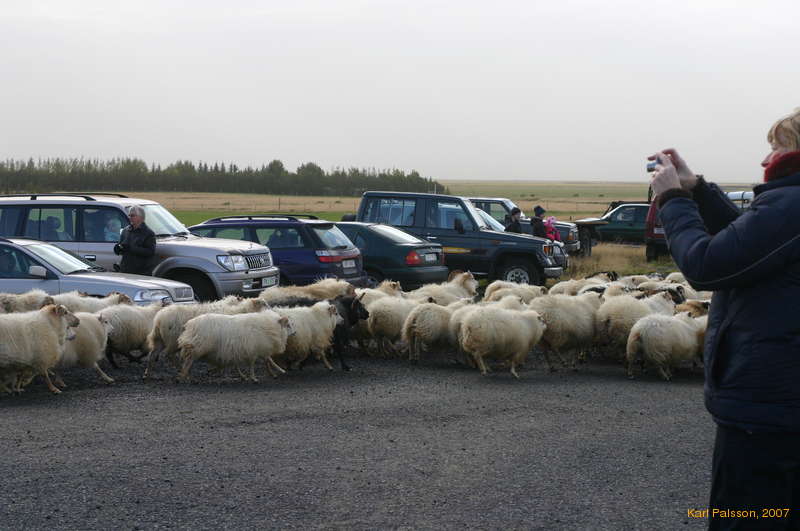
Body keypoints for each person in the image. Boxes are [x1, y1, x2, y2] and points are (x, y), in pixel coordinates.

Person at [649, 107, 800, 531]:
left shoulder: (791, 204)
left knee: (747, 517)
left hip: (768, 405)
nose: (766, 158)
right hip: (785, 400)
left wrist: (673, 199)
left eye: (777, 147)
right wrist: (698, 190)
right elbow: (753, 248)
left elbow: (707, 265)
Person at [114, 205, 156, 275]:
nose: (129, 217)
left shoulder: (148, 233)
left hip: (141, 272)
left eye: (132, 215)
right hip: (125, 270)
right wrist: (118, 249)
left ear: (141, 217)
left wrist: (131, 248)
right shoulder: (125, 231)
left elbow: (150, 252)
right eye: (129, 215)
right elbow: (122, 246)